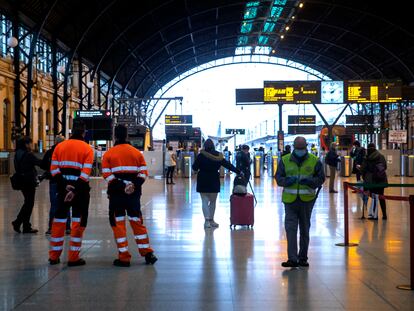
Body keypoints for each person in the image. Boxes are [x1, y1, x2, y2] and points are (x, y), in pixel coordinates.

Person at [102, 125, 157, 267]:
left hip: (116, 196)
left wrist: (122, 186)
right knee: (137, 222)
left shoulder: (108, 154)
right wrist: (133, 185)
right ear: (127, 136)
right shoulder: (137, 153)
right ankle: (148, 253)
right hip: (133, 196)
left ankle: (124, 257)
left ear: (115, 136)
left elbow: (107, 175)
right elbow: (143, 173)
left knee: (118, 224)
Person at [48, 120, 94, 266]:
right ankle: (73, 258)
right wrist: (74, 190)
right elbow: (85, 174)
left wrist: (65, 187)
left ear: (71, 131)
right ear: (83, 132)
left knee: (59, 221)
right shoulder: (87, 149)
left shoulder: (59, 147)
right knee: (77, 222)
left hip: (62, 191)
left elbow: (54, 171)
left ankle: (54, 256)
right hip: (80, 192)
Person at [276, 136, 325, 268]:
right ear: (293, 147)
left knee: (304, 229)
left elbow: (321, 178)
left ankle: (303, 258)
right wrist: (287, 181)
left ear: (306, 147)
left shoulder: (315, 161)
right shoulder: (285, 160)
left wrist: (310, 182)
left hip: (306, 201)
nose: (300, 150)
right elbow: (278, 178)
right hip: (290, 201)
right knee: (290, 229)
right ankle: (292, 258)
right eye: (298, 148)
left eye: (302, 148)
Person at [192, 139, 240, 229]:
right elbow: (228, 165)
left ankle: (206, 222)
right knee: (213, 201)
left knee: (204, 201)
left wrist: (197, 168)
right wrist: (238, 171)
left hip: (202, 179)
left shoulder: (201, 155)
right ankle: (211, 220)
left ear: (205, 146)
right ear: (213, 146)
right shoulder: (218, 155)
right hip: (214, 179)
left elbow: (194, 167)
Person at [11, 136, 42, 234]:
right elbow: (39, 163)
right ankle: (18, 222)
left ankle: (25, 226)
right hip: (28, 181)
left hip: (20, 180)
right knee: (29, 203)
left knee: (28, 202)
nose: (31, 145)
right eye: (30, 143)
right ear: (26, 144)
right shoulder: (28, 155)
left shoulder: (17, 154)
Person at [41, 135, 71, 235]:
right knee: (66, 204)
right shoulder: (66, 152)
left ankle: (51, 228)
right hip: (65, 181)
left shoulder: (50, 152)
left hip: (53, 181)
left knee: (54, 205)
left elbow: (44, 165)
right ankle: (67, 228)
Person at [359, 143, 388, 220]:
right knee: (381, 196)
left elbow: (363, 169)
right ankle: (384, 215)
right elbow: (385, 167)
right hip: (381, 179)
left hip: (372, 180)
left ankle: (375, 216)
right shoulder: (381, 156)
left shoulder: (367, 158)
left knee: (374, 197)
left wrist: (361, 170)